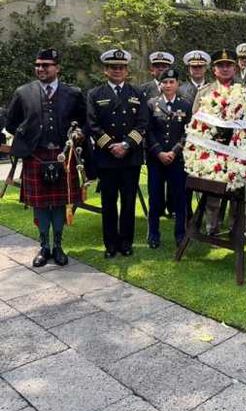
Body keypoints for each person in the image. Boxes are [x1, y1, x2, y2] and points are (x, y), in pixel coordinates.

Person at [5, 48, 86, 267]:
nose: (40, 68)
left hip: (63, 156)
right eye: (38, 65)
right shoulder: (23, 92)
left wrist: (79, 134)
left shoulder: (73, 93)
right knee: (40, 206)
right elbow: (11, 123)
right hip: (36, 155)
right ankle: (44, 246)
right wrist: (28, 137)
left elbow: (83, 121)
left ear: (57, 68)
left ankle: (58, 246)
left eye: (46, 65)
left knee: (59, 203)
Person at [87, 48, 148, 258]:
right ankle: (110, 244)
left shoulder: (137, 93)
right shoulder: (95, 94)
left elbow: (143, 124)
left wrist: (126, 145)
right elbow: (92, 126)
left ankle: (126, 242)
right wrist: (111, 146)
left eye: (121, 67)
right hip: (107, 158)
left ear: (126, 70)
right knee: (109, 202)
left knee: (129, 202)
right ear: (106, 70)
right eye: (113, 67)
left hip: (130, 159)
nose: (117, 71)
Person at [190, 48, 241, 235]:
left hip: (237, 149)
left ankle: (235, 227)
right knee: (212, 192)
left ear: (235, 69)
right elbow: (195, 120)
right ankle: (212, 226)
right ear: (214, 69)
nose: (225, 69)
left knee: (237, 191)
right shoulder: (205, 92)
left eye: (229, 65)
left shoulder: (244, 91)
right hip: (212, 149)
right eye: (221, 65)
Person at [145, 67, 191, 249]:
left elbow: (188, 132)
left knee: (180, 199)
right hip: (156, 160)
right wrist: (159, 152)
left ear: (177, 84)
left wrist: (174, 151)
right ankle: (154, 235)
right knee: (155, 198)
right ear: (160, 84)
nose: (168, 85)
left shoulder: (185, 105)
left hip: (177, 160)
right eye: (165, 82)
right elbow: (147, 131)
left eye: (172, 82)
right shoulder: (151, 104)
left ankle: (180, 234)